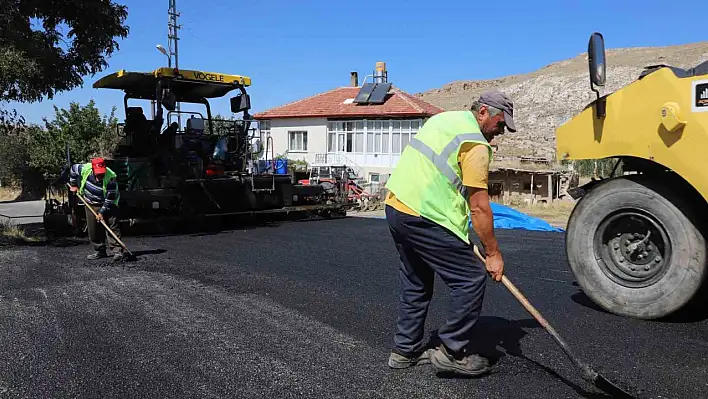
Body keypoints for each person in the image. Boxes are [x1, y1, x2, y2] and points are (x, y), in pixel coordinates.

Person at [383, 89, 516, 377]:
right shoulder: (474, 143)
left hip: (397, 208)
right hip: (425, 215)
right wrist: (493, 253)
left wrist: (458, 231)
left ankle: (403, 352)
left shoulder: (443, 121)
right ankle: (452, 352)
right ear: (483, 112)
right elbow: (479, 206)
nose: (500, 132)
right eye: (500, 124)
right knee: (470, 278)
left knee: (416, 283)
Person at [68, 157, 124, 261]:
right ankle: (100, 250)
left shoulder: (111, 178)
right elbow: (73, 169)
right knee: (93, 229)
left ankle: (118, 252)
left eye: (102, 174)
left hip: (108, 203)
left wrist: (102, 212)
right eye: (98, 174)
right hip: (90, 202)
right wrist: (74, 185)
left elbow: (110, 200)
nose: (100, 176)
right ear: (93, 170)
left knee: (112, 226)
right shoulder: (84, 169)